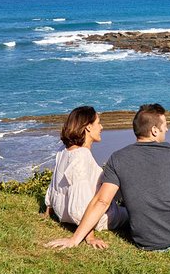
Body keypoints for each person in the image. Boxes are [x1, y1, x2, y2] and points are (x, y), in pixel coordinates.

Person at [45, 103, 170, 251]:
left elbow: (102, 201)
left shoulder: (118, 158)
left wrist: (74, 240)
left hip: (144, 242)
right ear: (154, 131)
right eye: (164, 125)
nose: (166, 128)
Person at [44, 106, 128, 249]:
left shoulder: (63, 151)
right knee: (134, 212)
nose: (101, 127)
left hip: (62, 214)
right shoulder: (82, 156)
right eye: (98, 123)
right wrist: (89, 237)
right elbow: (81, 203)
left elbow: (54, 186)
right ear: (88, 127)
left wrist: (48, 212)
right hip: (99, 217)